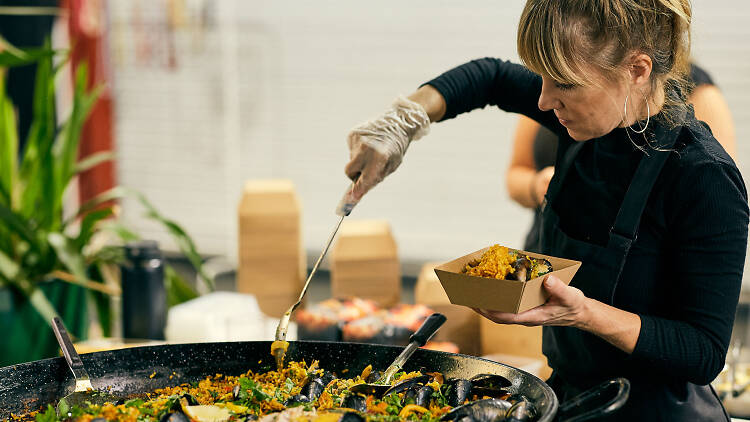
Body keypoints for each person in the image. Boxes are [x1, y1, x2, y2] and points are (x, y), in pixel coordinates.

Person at [341, 0, 749, 420]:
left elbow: (703, 351)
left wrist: (584, 313)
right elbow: (491, 76)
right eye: (541, 78)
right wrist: (402, 120)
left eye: (565, 84)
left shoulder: (704, 178)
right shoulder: (588, 125)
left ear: (637, 70)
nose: (542, 100)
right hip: (570, 398)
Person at [508, 63, 738, 252]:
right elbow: (516, 172)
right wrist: (537, 186)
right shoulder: (550, 86)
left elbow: (713, 206)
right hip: (546, 251)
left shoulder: (699, 97)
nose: (545, 102)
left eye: (568, 84)